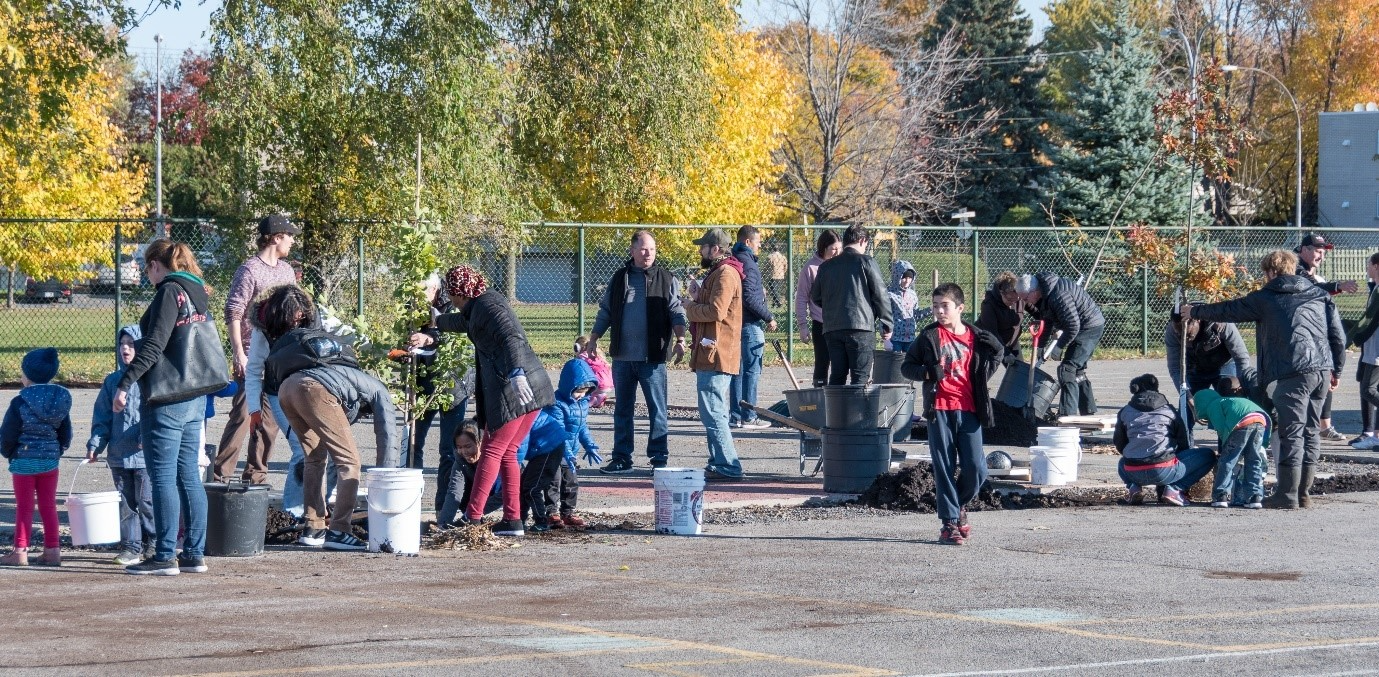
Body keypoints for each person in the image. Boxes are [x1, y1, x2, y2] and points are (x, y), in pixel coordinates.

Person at [1184, 249, 1345, 509]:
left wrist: (1196, 311)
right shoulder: (1320, 294)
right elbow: (1338, 336)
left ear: (1270, 272)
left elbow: (1229, 310)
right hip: (1321, 371)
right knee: (1311, 431)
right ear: (1292, 269)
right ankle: (1303, 493)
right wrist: (1336, 369)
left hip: (1291, 372)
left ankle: (1287, 494)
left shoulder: (1266, 297)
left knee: (1292, 433)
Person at [116, 239, 227, 575]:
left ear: (154, 265)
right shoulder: (197, 290)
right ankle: (193, 553)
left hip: (167, 398)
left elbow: (153, 346)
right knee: (187, 478)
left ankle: (165, 555)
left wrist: (125, 382)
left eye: (145, 267)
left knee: (162, 478)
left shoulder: (168, 291)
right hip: (194, 396)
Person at [261, 285, 400, 550]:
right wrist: (387, 473)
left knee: (314, 458)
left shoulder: (325, 365)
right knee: (350, 462)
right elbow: (388, 427)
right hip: (314, 390)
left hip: (287, 389)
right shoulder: (374, 387)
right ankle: (339, 531)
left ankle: (313, 527)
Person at [436, 265, 555, 536]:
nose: (451, 300)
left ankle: (472, 517)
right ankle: (513, 520)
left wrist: (516, 372)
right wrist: (436, 321)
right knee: (509, 451)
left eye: (451, 294)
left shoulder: (489, 306)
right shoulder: (478, 306)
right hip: (530, 388)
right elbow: (462, 323)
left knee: (491, 449)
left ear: (460, 291)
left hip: (515, 388)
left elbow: (512, 337)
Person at [900, 284, 1003, 545]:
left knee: (977, 468)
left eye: (944, 306)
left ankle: (957, 505)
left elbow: (984, 373)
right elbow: (907, 367)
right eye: (935, 306)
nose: (938, 311)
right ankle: (949, 524)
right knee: (944, 466)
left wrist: (998, 353)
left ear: (960, 308)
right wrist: (927, 373)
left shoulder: (976, 337)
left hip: (969, 410)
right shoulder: (929, 337)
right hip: (940, 410)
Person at [587, 231, 687, 474]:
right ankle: (622, 458)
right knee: (623, 409)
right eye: (643, 249)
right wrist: (594, 337)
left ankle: (658, 459)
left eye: (652, 249)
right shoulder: (620, 278)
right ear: (632, 251)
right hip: (622, 357)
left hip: (652, 359)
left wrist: (681, 338)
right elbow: (606, 311)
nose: (648, 254)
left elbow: (676, 310)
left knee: (657, 409)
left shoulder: (666, 278)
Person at [213, 214, 298, 484]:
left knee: (270, 422)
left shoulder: (286, 271)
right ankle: (220, 477)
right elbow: (233, 312)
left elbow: (292, 308)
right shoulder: (249, 270)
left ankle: (255, 477)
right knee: (242, 416)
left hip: (278, 357)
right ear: (275, 238)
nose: (293, 241)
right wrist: (239, 351)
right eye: (289, 235)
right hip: (252, 354)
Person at [244, 285, 331, 520]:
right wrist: (254, 410)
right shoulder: (263, 329)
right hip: (278, 393)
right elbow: (253, 372)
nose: (298, 320)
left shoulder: (313, 318)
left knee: (326, 449)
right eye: (293, 317)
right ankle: (293, 512)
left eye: (301, 316)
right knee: (302, 448)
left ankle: (320, 506)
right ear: (280, 315)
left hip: (311, 389)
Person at [88, 327, 155, 565]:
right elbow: (102, 417)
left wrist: (145, 437)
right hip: (118, 454)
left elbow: (155, 415)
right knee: (126, 504)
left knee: (147, 501)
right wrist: (96, 443)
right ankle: (131, 547)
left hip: (144, 455)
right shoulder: (112, 381)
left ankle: (154, 544)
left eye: (131, 344)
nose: (125, 348)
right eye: (122, 344)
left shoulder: (151, 380)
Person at [684, 228, 746, 481]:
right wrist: (699, 296)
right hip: (712, 352)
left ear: (716, 249)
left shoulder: (726, 274)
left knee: (714, 412)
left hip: (717, 354)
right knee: (712, 411)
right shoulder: (719, 273)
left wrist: (690, 307)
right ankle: (718, 461)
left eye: (704, 247)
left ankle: (729, 465)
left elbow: (716, 312)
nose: (701, 250)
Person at [0, 348, 71, 567]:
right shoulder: (60, 400)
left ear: (27, 375)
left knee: (25, 507)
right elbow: (65, 433)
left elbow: (8, 434)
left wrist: (9, 454)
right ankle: (53, 550)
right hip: (50, 461)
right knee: (49, 506)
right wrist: (57, 450)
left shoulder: (20, 402)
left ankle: (20, 551)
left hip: (24, 460)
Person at [519, 358, 600, 532]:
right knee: (552, 482)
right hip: (556, 450)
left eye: (585, 391)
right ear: (569, 385)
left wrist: (589, 445)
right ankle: (551, 512)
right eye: (578, 391)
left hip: (571, 452)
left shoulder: (583, 404)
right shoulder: (556, 404)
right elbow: (560, 431)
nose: (581, 395)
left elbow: (582, 427)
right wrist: (567, 452)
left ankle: (568, 511)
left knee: (571, 482)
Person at [1113, 374, 1215, 507]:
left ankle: (1134, 488)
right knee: (1208, 455)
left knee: (1122, 462)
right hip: (1163, 470)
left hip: (1132, 471)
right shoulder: (1169, 411)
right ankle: (1175, 489)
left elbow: (1119, 444)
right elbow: (1183, 443)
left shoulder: (1125, 412)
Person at [1294, 232, 1357, 442]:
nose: (1321, 255)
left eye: (1323, 252)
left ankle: (1324, 426)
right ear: (1304, 250)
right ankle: (1300, 429)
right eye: (1318, 251)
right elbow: (1309, 288)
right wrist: (1338, 286)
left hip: (1317, 336)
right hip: (1300, 336)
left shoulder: (1313, 274)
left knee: (1325, 377)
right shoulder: (1295, 270)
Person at [811, 224, 892, 385]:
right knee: (860, 377)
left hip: (832, 328)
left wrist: (833, 306)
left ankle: (836, 410)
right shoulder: (866, 261)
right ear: (862, 241)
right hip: (860, 327)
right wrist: (887, 322)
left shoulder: (826, 266)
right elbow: (880, 294)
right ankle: (857, 410)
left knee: (837, 375)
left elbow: (816, 297)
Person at [1016, 272, 1104, 417]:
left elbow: (1073, 325)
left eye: (1025, 298)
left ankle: (1067, 415)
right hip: (1081, 325)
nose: (1026, 301)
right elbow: (1048, 320)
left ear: (1034, 292)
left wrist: (1058, 347)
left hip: (1089, 327)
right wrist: (1041, 346)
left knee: (1067, 369)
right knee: (1077, 371)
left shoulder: (1058, 296)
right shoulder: (1045, 292)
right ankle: (1088, 411)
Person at [1165, 313, 1255, 428]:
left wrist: (1243, 386)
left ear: (1197, 321)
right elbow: (1175, 369)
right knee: (1185, 412)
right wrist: (1188, 397)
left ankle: (1229, 445)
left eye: (1188, 334)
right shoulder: (1171, 332)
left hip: (1225, 364)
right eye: (1179, 335)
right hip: (1195, 368)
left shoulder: (1221, 323)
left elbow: (1241, 357)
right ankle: (1186, 445)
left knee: (1229, 408)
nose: (1185, 339)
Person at [1194, 376, 1271, 509]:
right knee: (1254, 460)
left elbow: (1222, 429)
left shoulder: (1215, 403)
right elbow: (1265, 417)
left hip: (1241, 425)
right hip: (1260, 421)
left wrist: (1226, 449)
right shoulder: (1241, 401)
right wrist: (1264, 442)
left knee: (1227, 460)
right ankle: (1254, 497)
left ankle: (1221, 496)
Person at [729, 226, 777, 429]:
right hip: (750, 324)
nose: (760, 245)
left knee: (738, 371)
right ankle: (748, 416)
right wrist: (768, 317)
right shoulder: (748, 263)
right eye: (757, 241)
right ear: (747, 242)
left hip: (738, 323)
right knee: (751, 371)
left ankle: (736, 415)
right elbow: (748, 297)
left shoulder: (736, 259)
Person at [795, 230, 842, 387]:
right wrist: (803, 326)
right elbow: (801, 298)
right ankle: (819, 397)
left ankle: (837, 398)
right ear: (824, 247)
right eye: (833, 249)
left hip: (840, 323)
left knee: (840, 364)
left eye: (839, 248)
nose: (837, 252)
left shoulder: (841, 265)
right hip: (820, 323)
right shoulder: (810, 268)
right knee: (822, 363)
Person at [1347, 253, 1379, 449]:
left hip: (1376, 350)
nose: (1367, 267)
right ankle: (1374, 435)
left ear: (1376, 266)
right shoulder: (1374, 288)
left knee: (1369, 389)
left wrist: (1353, 336)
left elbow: (1370, 320)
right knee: (1366, 386)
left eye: (1369, 264)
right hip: (1370, 347)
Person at [436, 421, 483, 527]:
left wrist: (471, 514)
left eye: (468, 446)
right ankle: (473, 518)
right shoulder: (460, 459)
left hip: (498, 493)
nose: (464, 451)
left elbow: (502, 494)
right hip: (476, 501)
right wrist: (443, 524)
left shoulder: (491, 458)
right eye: (460, 447)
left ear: (480, 442)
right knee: (449, 476)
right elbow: (454, 492)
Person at [976, 272, 1024, 365]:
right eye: (1010, 299)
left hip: (1012, 341)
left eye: (1016, 300)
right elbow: (992, 332)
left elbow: (1035, 310)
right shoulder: (988, 304)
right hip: (990, 343)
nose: (1014, 303)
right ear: (1001, 292)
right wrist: (1005, 353)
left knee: (1020, 373)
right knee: (983, 374)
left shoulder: (1019, 298)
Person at [887, 261, 919, 353]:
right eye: (904, 278)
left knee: (909, 364)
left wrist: (930, 310)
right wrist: (886, 338)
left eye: (910, 278)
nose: (907, 281)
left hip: (910, 338)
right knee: (895, 364)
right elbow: (884, 316)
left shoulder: (912, 295)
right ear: (898, 276)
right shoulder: (889, 294)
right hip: (895, 338)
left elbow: (915, 315)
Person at [574, 335, 612, 409]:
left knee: (582, 383)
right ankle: (600, 396)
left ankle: (592, 400)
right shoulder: (597, 355)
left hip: (598, 385)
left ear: (578, 348)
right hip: (608, 385)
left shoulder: (582, 357)